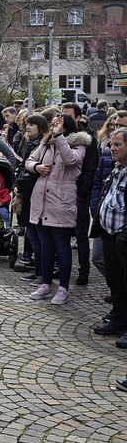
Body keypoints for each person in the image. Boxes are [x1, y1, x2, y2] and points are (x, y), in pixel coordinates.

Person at [25, 114, 90, 305]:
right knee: (45, 247)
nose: (53, 128)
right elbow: (29, 160)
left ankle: (63, 288)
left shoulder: (78, 145)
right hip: (41, 200)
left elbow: (71, 160)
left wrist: (60, 137)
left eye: (57, 125)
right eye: (52, 125)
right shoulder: (46, 143)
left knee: (62, 246)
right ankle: (46, 283)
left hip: (61, 202)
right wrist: (36, 167)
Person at [91, 126, 127, 347]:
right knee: (116, 283)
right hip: (110, 237)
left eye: (117, 145)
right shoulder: (116, 169)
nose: (112, 148)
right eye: (111, 144)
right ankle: (119, 319)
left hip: (123, 238)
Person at [61, 102, 99, 286]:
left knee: (81, 234)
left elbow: (92, 166)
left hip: (78, 193)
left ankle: (84, 271)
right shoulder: (59, 136)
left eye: (68, 116)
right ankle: (60, 269)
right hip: (60, 193)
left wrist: (83, 191)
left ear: (77, 118)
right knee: (61, 234)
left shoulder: (88, 139)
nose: (64, 119)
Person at [14, 115, 51, 283]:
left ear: (41, 127)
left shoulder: (43, 145)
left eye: (32, 125)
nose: (28, 127)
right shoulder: (29, 142)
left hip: (36, 194)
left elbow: (32, 173)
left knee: (38, 238)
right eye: (27, 124)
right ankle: (38, 272)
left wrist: (21, 184)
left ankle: (43, 274)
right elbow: (22, 167)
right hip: (27, 193)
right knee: (32, 235)